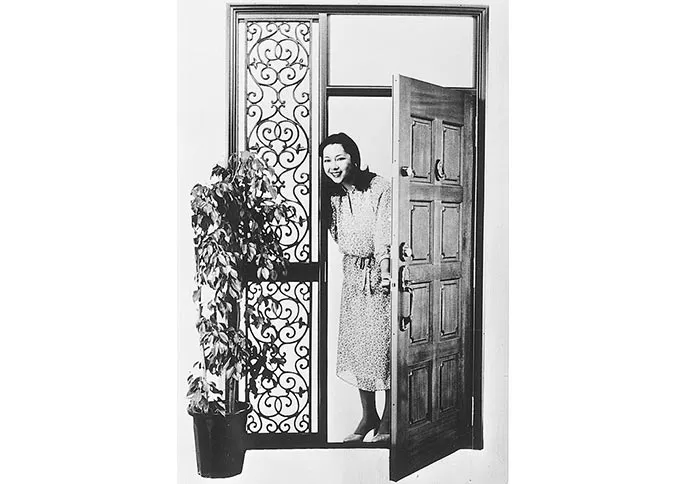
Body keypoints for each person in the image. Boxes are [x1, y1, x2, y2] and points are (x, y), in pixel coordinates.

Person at [320, 132, 392, 443]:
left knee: (384, 346)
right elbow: (338, 235)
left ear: (354, 158)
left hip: (379, 275)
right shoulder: (332, 196)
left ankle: (389, 420)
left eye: (340, 157)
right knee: (360, 344)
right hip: (352, 275)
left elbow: (385, 232)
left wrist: (385, 271)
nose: (333, 165)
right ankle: (368, 415)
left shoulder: (379, 187)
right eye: (327, 160)